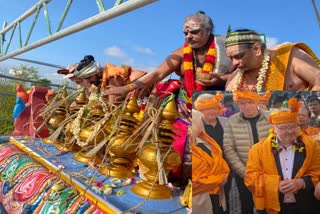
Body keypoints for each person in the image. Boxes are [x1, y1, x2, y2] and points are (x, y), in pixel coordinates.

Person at [103, 11, 232, 99]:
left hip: (221, 99)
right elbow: (158, 73)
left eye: (194, 32)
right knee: (161, 95)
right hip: (188, 101)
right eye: (185, 34)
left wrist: (220, 80)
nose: (188, 37)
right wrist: (127, 88)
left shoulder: (226, 46)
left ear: (208, 30)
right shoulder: (180, 52)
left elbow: (244, 73)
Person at [245, 97, 320, 213]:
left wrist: (303, 182)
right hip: (273, 206)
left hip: (306, 205)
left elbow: (317, 171)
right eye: (283, 127)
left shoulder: (311, 145)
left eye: (293, 126)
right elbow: (250, 177)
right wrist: (275, 185)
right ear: (274, 129)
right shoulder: (258, 150)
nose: (289, 131)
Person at [223, 90, 271, 214]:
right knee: (246, 205)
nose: (246, 106)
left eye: (250, 102)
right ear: (237, 104)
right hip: (244, 172)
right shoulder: (232, 121)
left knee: (269, 204)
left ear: (256, 101)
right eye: (242, 103)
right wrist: (244, 172)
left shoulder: (269, 118)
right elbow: (229, 148)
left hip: (268, 171)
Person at [224, 29, 320, 91]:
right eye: (231, 58)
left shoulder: (291, 57)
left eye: (239, 56)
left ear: (257, 49)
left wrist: (307, 113)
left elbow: (318, 82)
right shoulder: (235, 80)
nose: (234, 63)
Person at [194, 92, 231, 214]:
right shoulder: (196, 127)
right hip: (208, 174)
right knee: (211, 201)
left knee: (226, 197)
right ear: (200, 109)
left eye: (214, 108)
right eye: (207, 108)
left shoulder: (226, 122)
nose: (212, 111)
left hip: (227, 169)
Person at [57, 55, 147, 103]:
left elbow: (113, 104)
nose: (88, 81)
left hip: (149, 97)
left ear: (97, 73)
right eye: (85, 79)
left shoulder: (112, 76)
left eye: (89, 78)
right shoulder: (99, 81)